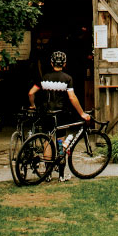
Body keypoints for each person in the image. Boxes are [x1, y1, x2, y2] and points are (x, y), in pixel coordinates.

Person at [28, 50, 90, 179]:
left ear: (51, 63)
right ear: (64, 63)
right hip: (61, 114)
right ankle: (61, 175)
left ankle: (47, 173)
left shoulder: (44, 77)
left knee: (47, 142)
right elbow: (72, 98)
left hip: (46, 113)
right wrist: (82, 113)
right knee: (60, 141)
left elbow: (31, 93)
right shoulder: (67, 78)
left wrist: (33, 105)